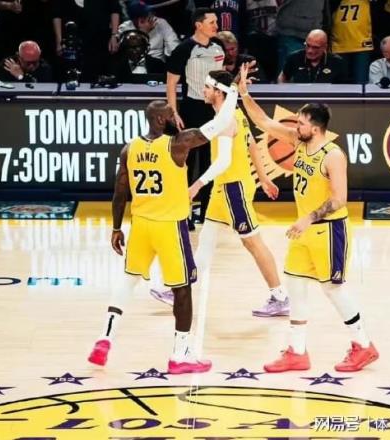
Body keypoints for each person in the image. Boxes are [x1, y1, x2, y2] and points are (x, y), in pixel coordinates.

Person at [88, 82, 239, 374]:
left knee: (128, 281)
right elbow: (219, 124)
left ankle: (105, 338)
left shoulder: (129, 148)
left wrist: (116, 228)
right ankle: (181, 355)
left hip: (141, 225)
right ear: (160, 120)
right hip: (169, 227)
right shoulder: (177, 144)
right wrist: (232, 91)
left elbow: (120, 193)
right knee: (182, 290)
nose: (176, 117)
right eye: (171, 114)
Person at [238, 62, 379, 372]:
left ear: (314, 128)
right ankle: (297, 351)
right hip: (304, 232)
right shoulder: (297, 141)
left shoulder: (333, 155)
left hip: (328, 230)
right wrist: (244, 93)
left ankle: (364, 345)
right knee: (295, 282)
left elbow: (339, 199)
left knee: (333, 289)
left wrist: (308, 218)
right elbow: (262, 121)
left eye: (300, 123)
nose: (295, 126)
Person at [150, 70, 290, 317]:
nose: (203, 90)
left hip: (233, 188)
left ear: (218, 92)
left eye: (207, 87)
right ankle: (178, 288)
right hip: (223, 188)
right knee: (206, 241)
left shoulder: (227, 120)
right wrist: (263, 177)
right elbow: (251, 144)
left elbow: (224, 161)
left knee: (253, 242)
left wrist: (197, 185)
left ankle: (280, 297)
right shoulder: (233, 113)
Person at [167, 8, 225, 229]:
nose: (216, 26)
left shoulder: (218, 47)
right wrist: (174, 112)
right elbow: (171, 83)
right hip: (191, 109)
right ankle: (185, 212)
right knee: (188, 163)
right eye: (212, 22)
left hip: (213, 112)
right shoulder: (184, 49)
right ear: (198, 25)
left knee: (211, 162)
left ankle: (209, 211)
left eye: (216, 22)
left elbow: (222, 82)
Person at [119, 1, 179, 74]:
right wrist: (143, 33)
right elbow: (128, 55)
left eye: (148, 13)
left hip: (157, 67)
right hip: (133, 68)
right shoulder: (124, 28)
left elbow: (174, 49)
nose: (150, 15)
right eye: (145, 15)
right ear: (137, 19)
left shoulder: (161, 23)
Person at [278, 29, 348, 84]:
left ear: (324, 47)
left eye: (315, 47)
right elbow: (283, 76)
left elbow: (344, 87)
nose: (310, 51)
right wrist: (283, 91)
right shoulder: (294, 58)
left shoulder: (337, 62)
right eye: (308, 45)